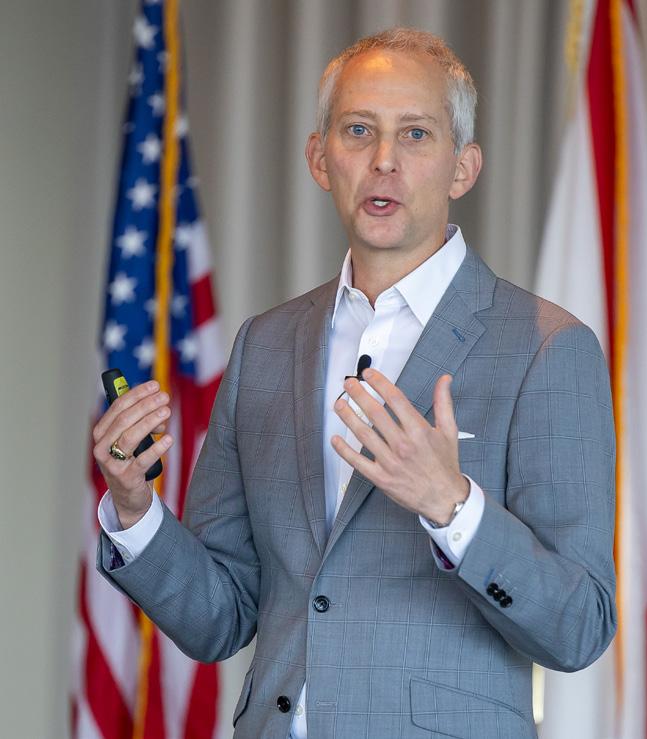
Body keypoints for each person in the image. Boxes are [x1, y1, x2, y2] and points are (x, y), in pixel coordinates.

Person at [95, 28, 616, 739]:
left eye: (415, 134)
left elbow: (579, 624)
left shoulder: (547, 346)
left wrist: (451, 505)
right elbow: (221, 619)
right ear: (320, 158)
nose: (383, 160)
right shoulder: (264, 345)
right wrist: (134, 510)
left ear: (463, 169)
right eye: (359, 130)